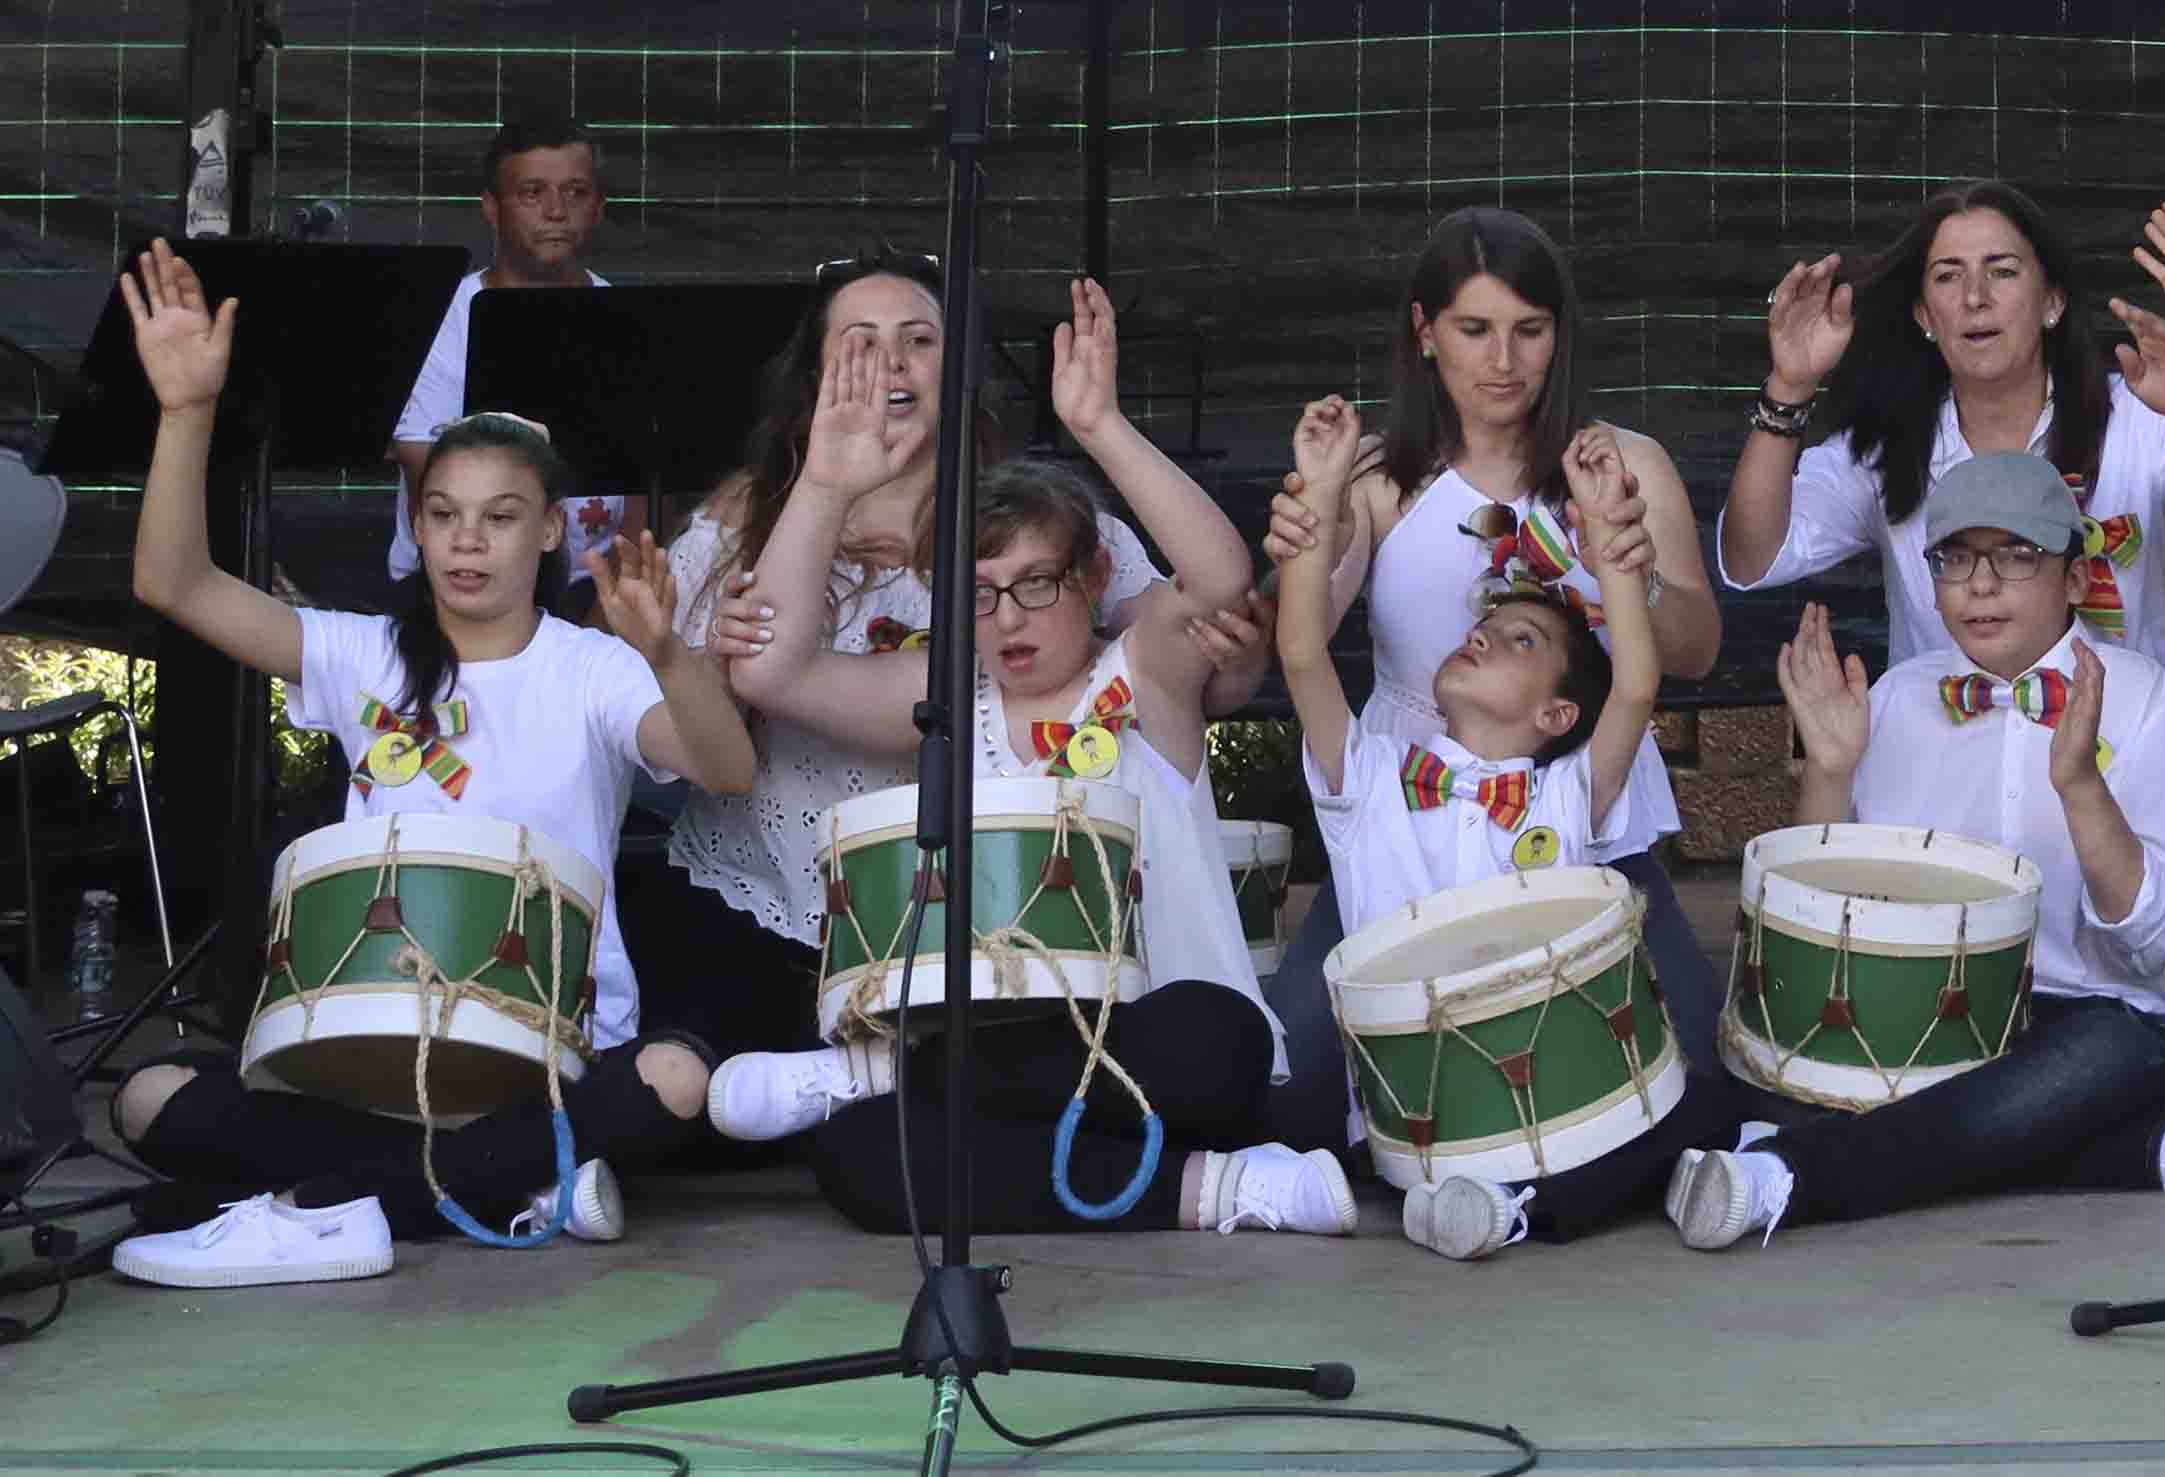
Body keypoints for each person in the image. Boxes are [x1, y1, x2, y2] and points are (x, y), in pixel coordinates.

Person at [108, 241, 743, 1288]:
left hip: (545, 1047)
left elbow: (723, 768)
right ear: (416, 523)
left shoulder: (593, 668)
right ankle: (509, 1188)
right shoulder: (362, 650)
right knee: (148, 1095)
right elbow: (174, 583)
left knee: (673, 1079)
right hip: (367, 1042)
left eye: (500, 517)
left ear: (547, 532)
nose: (467, 541)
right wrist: (184, 413)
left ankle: (320, 1207)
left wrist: (671, 652)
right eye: (442, 512)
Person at [709, 283, 1348, 1238]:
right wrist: (828, 480)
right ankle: (1222, 1191)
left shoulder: (1146, 673)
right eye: (981, 593)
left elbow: (1217, 579)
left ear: (1093, 579)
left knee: (1214, 1040)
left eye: (1036, 584)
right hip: (1010, 1049)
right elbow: (767, 669)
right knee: (858, 1159)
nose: (1007, 618)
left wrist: (1100, 425)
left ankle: (880, 1070)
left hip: (1156, 1049)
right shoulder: (949, 701)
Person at [1716, 180, 2165, 1099]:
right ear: (1924, 313)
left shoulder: (2137, 417)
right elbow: (1752, 553)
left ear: (2052, 299)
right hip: (1957, 820)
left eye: (2002, 270)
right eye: (1948, 275)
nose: (1976, 296)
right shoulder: (1889, 446)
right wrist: (1789, 388)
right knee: (1954, 1075)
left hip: (2138, 813)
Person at [1661, 448, 2165, 1248]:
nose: (1981, 582)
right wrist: (1829, 770)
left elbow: (2155, 944)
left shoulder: (2135, 695)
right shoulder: (1894, 699)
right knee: (1783, 1073)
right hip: (1924, 1026)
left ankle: (1790, 1175)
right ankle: (2162, 1147)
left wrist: (2080, 788)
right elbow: (1820, 932)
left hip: (2090, 1021)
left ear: (2073, 578)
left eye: (2016, 554)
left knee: (2102, 1061)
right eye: (1955, 556)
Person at [626, 256, 1168, 1072]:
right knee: (687, 1086)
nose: (892, 363)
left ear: (957, 374)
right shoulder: (731, 537)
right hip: (760, 914)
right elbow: (698, 744)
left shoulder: (1040, 525)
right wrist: (704, 654)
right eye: (861, 342)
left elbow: (1206, 661)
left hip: (980, 930)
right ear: (814, 379)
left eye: (919, 340)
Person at [1263, 208, 1729, 1143]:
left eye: (1530, 328)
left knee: (1690, 1075)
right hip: (1406, 820)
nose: (1504, 359)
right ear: (1424, 331)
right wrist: (1306, 536)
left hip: (1571, 806)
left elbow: (1695, 650)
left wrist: (1625, 564)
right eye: (1475, 329)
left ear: (1561, 334)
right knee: (1305, 1069)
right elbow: (1302, 635)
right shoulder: (1375, 478)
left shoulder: (1622, 464)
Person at [1282, 396, 1732, 1255]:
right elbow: (1302, 652)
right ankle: (1502, 1200)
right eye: (1484, 628)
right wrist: (1322, 497)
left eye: (1518, 639)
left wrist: (1609, 553)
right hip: (1424, 1097)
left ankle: (1474, 1208)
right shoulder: (1370, 780)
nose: (1483, 639)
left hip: (1543, 1093)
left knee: (1693, 1087)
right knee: (1308, 1100)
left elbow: (1636, 683)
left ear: (1561, 711)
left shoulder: (1566, 800)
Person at [383, 111, 634, 593]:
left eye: (576, 192)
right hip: (457, 585)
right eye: (532, 192)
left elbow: (646, 487)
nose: (556, 211)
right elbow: (427, 476)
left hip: (595, 587)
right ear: (492, 208)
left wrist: (615, 605)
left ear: (598, 208)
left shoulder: (626, 315)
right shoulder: (440, 317)